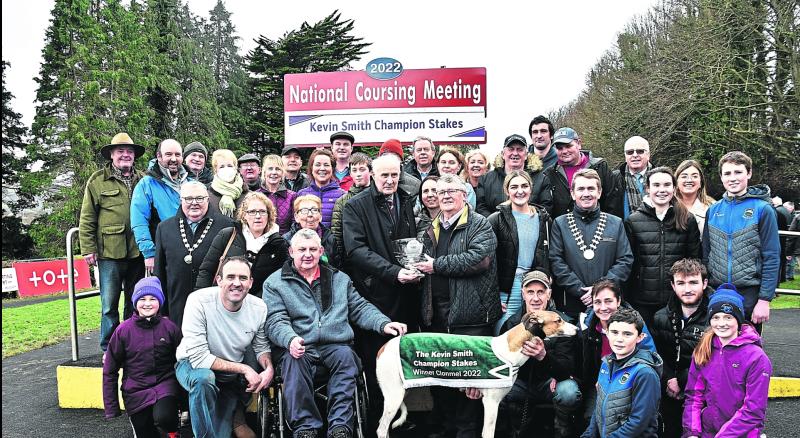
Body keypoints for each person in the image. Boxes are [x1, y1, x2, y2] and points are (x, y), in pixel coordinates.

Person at [264, 229, 408, 438]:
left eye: (313, 249)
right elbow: (275, 320)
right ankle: (305, 428)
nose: (307, 254)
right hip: (299, 345)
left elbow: (359, 307)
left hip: (336, 345)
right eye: (301, 249)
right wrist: (290, 339)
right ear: (291, 252)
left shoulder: (339, 278)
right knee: (294, 361)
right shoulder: (274, 283)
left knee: (347, 358)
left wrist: (384, 323)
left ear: (321, 250)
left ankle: (340, 427)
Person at [413, 173, 500, 438]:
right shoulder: (429, 228)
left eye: (452, 190)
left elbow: (479, 260)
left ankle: (466, 433)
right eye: (441, 192)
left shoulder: (479, 224)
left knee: (468, 381)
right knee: (440, 376)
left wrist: (436, 266)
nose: (447, 196)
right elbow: (420, 261)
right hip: (437, 313)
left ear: (464, 194)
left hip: (471, 315)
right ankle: (445, 429)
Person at [341, 153, 419, 432]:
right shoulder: (356, 206)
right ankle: (378, 423)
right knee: (378, 368)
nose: (389, 180)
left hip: (408, 295)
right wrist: (393, 272)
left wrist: (413, 268)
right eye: (384, 175)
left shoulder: (407, 200)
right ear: (372, 174)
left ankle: (401, 421)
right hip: (374, 299)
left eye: (394, 175)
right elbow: (356, 251)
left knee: (402, 363)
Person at [175, 256, 274, 438]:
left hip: (229, 376)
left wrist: (268, 369)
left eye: (243, 278)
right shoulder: (198, 301)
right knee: (204, 378)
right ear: (219, 280)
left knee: (221, 434)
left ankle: (232, 419)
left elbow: (261, 347)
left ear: (251, 282)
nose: (237, 283)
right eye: (230, 277)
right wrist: (244, 368)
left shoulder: (259, 307)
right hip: (191, 365)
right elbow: (200, 358)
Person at [80, 132, 146, 352]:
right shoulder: (97, 180)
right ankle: (108, 347)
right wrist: (88, 247)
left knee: (134, 301)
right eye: (120, 151)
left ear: (134, 156)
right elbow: (87, 217)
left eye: (129, 151)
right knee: (109, 305)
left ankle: (130, 343)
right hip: (109, 252)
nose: (125, 155)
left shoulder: (143, 179)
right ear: (112, 154)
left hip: (137, 251)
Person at [496, 270, 581, 438]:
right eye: (530, 292)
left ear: (549, 294)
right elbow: (502, 363)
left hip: (549, 383)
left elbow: (567, 367)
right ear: (523, 294)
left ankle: (562, 429)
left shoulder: (563, 323)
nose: (536, 298)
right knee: (498, 388)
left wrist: (543, 356)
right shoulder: (512, 323)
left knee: (569, 391)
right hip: (520, 384)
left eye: (541, 292)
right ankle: (513, 429)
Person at [682, 285, 772, 438]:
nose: (721, 323)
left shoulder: (757, 358)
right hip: (707, 432)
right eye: (716, 317)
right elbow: (694, 396)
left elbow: (753, 410)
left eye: (728, 317)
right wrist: (692, 432)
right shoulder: (703, 350)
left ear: (738, 319)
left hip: (741, 434)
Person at [703, 151, 780, 328]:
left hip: (750, 293)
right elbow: (706, 254)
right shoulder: (713, 211)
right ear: (721, 177)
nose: (733, 178)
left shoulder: (763, 209)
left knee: (747, 350)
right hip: (717, 291)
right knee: (716, 349)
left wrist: (764, 299)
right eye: (727, 173)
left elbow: (772, 256)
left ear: (749, 173)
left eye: (738, 172)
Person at [549, 168, 633, 320]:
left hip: (607, 305)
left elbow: (625, 260)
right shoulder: (560, 224)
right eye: (581, 189)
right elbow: (556, 261)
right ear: (573, 193)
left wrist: (600, 290)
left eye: (591, 188)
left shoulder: (616, 223)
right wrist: (580, 290)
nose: (586, 193)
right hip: (572, 303)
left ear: (599, 193)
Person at [103, 277, 181, 438]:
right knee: (145, 432)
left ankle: (173, 431)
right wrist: (111, 407)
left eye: (153, 299)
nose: (147, 303)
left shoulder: (170, 328)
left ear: (160, 302)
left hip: (164, 385)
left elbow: (183, 360)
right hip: (135, 391)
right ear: (134, 302)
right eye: (142, 299)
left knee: (164, 417)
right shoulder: (123, 330)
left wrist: (185, 400)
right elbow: (110, 370)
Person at [624, 166, 701, 326]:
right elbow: (629, 262)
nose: (661, 190)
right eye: (656, 185)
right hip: (642, 301)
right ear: (647, 189)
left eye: (667, 185)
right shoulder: (633, 221)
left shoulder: (687, 220)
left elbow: (695, 260)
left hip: (675, 299)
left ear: (674, 188)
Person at [578, 279, 657, 425]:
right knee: (592, 419)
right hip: (599, 384)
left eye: (608, 301)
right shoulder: (587, 325)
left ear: (618, 301)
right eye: (598, 302)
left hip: (629, 385)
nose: (603, 307)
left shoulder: (634, 322)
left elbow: (649, 356)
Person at [154, 181, 232, 328]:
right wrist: (161, 311)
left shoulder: (227, 226)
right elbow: (159, 273)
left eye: (199, 198)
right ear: (181, 200)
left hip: (214, 306)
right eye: (188, 199)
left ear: (208, 199)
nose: (194, 203)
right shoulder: (164, 228)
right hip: (176, 306)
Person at [651, 258, 712, 438]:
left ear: (705, 283)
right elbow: (656, 353)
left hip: (703, 392)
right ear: (673, 285)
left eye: (693, 282)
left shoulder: (716, 319)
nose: (687, 289)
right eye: (681, 283)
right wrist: (669, 378)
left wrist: (683, 380)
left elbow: (715, 360)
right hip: (670, 388)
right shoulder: (660, 317)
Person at [581, 307, 662, 438]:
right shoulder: (606, 364)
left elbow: (638, 422)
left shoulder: (645, 373)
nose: (619, 339)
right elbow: (599, 408)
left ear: (640, 337)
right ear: (606, 333)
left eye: (627, 334)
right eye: (614, 332)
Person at [488, 170, 552, 333]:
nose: (520, 191)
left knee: (533, 333)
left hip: (535, 285)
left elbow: (548, 253)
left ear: (531, 189)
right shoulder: (496, 219)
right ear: (507, 190)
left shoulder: (543, 218)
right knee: (504, 331)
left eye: (524, 186)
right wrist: (492, 294)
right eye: (514, 186)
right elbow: (489, 261)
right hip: (507, 288)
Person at [196, 191, 288, 297]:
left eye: (262, 211)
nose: (258, 216)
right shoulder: (228, 235)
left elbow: (279, 281)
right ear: (244, 215)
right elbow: (207, 270)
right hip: (222, 300)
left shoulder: (278, 244)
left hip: (258, 305)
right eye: (252, 212)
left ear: (269, 215)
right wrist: (202, 298)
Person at [130, 138, 186, 276]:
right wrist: (149, 253)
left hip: (189, 252)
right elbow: (139, 221)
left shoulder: (190, 182)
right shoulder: (146, 184)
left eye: (177, 155)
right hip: (162, 254)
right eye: (168, 154)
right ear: (159, 156)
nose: (173, 159)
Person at [543, 127, 619, 218]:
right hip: (565, 229)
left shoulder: (600, 167)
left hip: (600, 227)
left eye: (568, 146)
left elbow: (613, 202)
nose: (564, 151)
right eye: (560, 148)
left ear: (578, 144)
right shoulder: (550, 174)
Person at [477, 134, 551, 216]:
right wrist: (497, 223)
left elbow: (546, 208)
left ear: (526, 155)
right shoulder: (485, 179)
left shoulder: (541, 179)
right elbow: (481, 207)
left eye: (519, 150)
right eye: (511, 149)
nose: (515, 153)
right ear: (503, 154)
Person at [330, 152, 372, 264]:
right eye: (354, 170)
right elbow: (337, 234)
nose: (358, 174)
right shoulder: (342, 201)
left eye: (362, 169)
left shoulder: (378, 196)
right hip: (351, 258)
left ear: (371, 172)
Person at [297, 148, 346, 229]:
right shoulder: (301, 194)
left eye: (326, 165)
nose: (322, 168)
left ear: (332, 168)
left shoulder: (342, 195)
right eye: (318, 165)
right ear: (311, 168)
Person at [284, 195, 339, 267]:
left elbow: (337, 266)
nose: (310, 214)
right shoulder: (287, 240)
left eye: (314, 210)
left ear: (320, 216)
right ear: (296, 217)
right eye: (304, 211)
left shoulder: (330, 238)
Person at [613, 136, 654, 219]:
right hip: (624, 230)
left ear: (648, 155)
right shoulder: (613, 179)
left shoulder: (660, 178)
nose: (635, 155)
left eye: (640, 151)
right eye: (630, 152)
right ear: (625, 156)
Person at [258, 154, 298, 234]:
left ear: (282, 172)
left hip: (285, 243)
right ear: (264, 172)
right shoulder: (256, 196)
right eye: (270, 169)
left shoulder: (292, 196)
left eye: (278, 169)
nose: (274, 172)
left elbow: (295, 223)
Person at [674, 160, 714, 236]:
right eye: (684, 176)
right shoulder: (667, 206)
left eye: (694, 176)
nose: (689, 180)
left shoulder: (712, 207)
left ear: (701, 182)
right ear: (676, 182)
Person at [209, 149, 249, 218]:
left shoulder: (249, 196)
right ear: (215, 170)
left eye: (230, 165)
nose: (226, 169)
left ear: (235, 168)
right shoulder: (207, 196)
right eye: (222, 166)